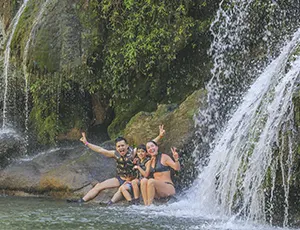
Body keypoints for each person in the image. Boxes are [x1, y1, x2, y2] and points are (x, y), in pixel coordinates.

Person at [67, 125, 165, 203]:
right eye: (118, 146)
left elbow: (147, 146)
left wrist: (160, 136)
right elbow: (100, 150)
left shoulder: (134, 152)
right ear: (116, 147)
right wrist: (87, 143)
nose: (121, 148)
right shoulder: (115, 154)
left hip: (132, 180)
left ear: (127, 146)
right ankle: (82, 200)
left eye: (123, 145)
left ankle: (115, 203)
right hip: (120, 179)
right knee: (99, 186)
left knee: (120, 191)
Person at [140, 141, 180, 205]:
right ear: (147, 152)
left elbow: (177, 168)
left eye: (152, 146)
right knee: (143, 181)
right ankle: (146, 205)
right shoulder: (149, 162)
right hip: (156, 189)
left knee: (151, 181)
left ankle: (149, 206)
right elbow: (145, 175)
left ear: (157, 147)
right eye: (148, 148)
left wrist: (176, 159)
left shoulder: (164, 157)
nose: (151, 148)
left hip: (167, 187)